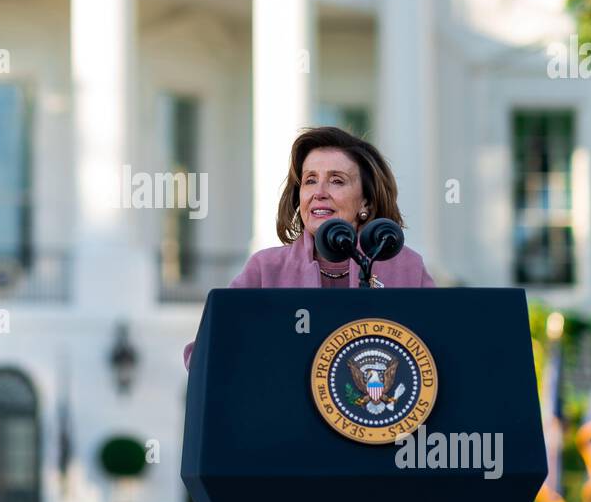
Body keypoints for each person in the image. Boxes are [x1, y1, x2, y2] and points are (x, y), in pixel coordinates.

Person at [183, 126, 434, 370]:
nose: (319, 192)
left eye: (337, 181)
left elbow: (441, 348)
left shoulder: (407, 267)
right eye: (310, 180)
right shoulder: (265, 269)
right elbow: (204, 356)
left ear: (365, 201)